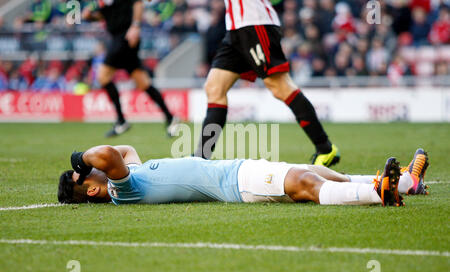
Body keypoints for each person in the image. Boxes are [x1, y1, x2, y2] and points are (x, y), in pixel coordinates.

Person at [193, 0, 339, 167]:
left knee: (280, 87)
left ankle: (325, 148)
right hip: (235, 27)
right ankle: (201, 159)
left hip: (255, 24)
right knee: (214, 87)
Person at [58, 145, 429, 207]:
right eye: (83, 176)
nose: (86, 169)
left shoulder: (131, 172)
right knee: (305, 184)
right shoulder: (123, 191)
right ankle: (377, 194)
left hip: (235, 171)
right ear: (91, 191)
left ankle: (410, 183)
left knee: (318, 171)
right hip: (234, 182)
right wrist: (79, 156)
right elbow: (107, 155)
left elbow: (122, 153)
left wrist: (83, 168)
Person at [82, 0, 179, 137]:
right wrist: (89, 16)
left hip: (125, 37)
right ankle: (170, 118)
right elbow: (106, 14)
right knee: (143, 83)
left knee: (102, 77)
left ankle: (121, 120)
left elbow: (138, 2)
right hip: (118, 37)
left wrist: (136, 26)